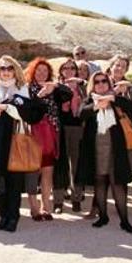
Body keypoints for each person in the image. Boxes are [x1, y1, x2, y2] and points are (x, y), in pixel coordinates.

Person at [0, 56, 43, 232]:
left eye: (9, 68)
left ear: (15, 70)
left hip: (14, 136)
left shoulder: (21, 88)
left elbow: (26, 114)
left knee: (14, 181)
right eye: (2, 69)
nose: (6, 72)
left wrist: (7, 108)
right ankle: (4, 215)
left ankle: (13, 217)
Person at [75, 72, 132, 233]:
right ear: (92, 85)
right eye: (97, 82)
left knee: (118, 184)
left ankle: (125, 220)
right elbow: (80, 114)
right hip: (96, 149)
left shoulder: (116, 100)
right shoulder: (89, 100)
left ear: (109, 83)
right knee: (100, 182)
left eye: (104, 81)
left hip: (115, 149)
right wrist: (96, 106)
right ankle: (103, 216)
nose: (101, 84)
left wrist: (113, 99)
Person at [24, 58, 72, 221]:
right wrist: (39, 96)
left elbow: (69, 94)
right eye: (38, 70)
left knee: (47, 172)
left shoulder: (53, 89)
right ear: (32, 72)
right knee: (32, 172)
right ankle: (34, 207)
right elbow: (28, 110)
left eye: (45, 71)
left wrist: (56, 86)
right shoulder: (27, 89)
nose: (42, 73)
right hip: (32, 134)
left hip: (50, 134)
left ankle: (46, 206)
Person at [53, 58, 85, 213]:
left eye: (72, 68)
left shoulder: (82, 88)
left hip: (78, 128)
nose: (69, 70)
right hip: (60, 128)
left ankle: (76, 198)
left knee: (77, 164)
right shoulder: (56, 86)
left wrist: (79, 86)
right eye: (65, 68)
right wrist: (67, 88)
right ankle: (58, 201)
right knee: (60, 164)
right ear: (61, 70)